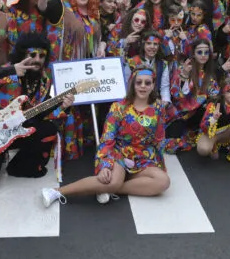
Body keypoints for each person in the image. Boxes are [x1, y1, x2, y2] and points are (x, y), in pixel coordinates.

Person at [41, 66, 177, 207]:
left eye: (147, 83)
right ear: (133, 84)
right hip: (119, 154)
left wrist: (159, 164)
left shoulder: (158, 108)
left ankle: (107, 188)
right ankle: (56, 191)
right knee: (112, 182)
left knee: (163, 181)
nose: (143, 86)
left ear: (153, 85)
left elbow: (159, 139)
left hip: (143, 158)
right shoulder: (118, 107)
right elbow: (107, 139)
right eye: (139, 82)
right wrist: (104, 165)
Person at [0, 34, 73, 177]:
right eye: (32, 55)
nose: (37, 60)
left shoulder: (44, 80)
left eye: (42, 56)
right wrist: (11, 70)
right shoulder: (10, 71)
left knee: (48, 128)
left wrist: (64, 106)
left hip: (14, 131)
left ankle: (21, 167)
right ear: (22, 55)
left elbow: (40, 114)